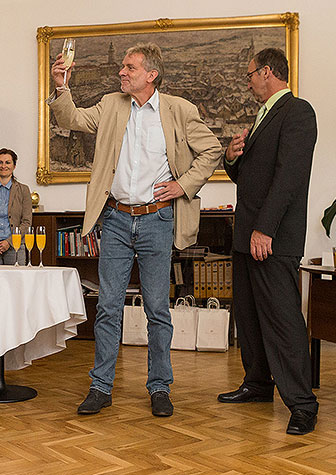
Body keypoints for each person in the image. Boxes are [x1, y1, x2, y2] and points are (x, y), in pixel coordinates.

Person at [48, 43, 221, 417]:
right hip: (115, 220)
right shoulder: (111, 105)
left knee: (158, 308)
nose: (121, 72)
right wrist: (61, 87)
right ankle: (100, 387)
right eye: (123, 67)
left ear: (150, 75)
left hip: (158, 221)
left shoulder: (179, 110)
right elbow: (72, 119)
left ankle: (159, 387)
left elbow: (211, 150)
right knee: (109, 306)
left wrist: (184, 185)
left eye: (129, 67)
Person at [217, 48, 319, 435]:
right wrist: (230, 156)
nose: (247, 82)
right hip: (247, 236)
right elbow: (248, 176)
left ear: (268, 72)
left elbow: (289, 177)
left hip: (270, 238)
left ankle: (303, 405)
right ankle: (258, 384)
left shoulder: (298, 112)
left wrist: (266, 229)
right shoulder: (260, 118)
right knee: (249, 316)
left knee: (283, 320)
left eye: (249, 75)